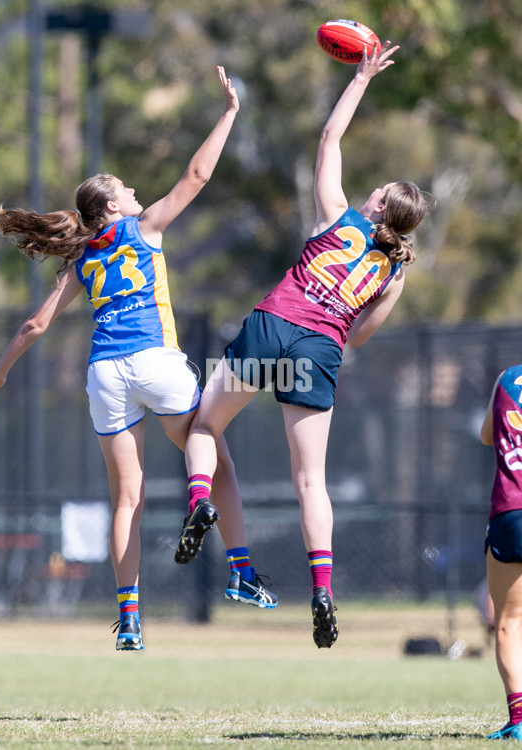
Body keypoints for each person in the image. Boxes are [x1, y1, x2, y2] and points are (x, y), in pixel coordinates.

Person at [0, 66, 277, 653]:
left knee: (127, 498)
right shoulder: (147, 227)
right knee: (212, 447)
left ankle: (130, 620)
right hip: (156, 360)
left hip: (105, 374)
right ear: (113, 204)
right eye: (128, 190)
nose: (137, 193)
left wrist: (1, 369)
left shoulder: (78, 259)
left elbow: (37, 323)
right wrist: (230, 113)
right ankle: (222, 541)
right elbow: (198, 173)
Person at [175, 42, 428, 649]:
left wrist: (362, 77)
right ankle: (321, 588)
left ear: (378, 206)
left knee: (205, 427)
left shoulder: (339, 215)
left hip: (271, 324)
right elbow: (360, 335)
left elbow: (329, 138)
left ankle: (201, 502)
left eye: (380, 189)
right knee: (311, 481)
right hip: (319, 351)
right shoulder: (394, 272)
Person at [481, 366, 522, 741]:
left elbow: (485, 436)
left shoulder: (508, 377)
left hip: (511, 510)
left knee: (509, 622)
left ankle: (519, 719)